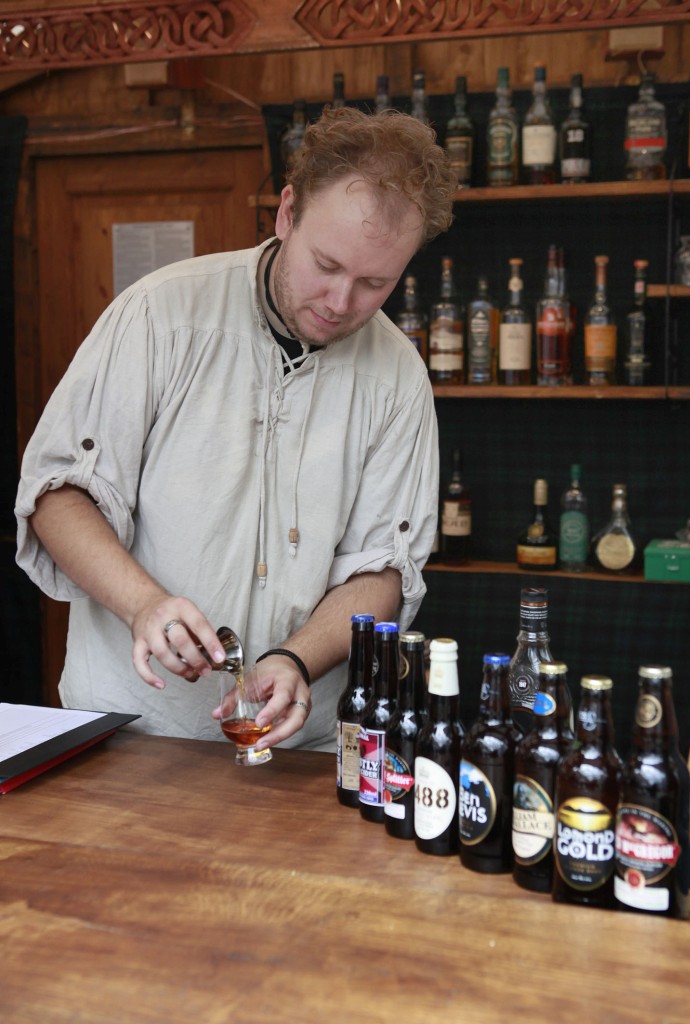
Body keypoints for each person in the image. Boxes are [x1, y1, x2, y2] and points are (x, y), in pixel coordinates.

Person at [14, 105, 455, 752]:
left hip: (296, 745)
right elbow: (58, 496)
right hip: (131, 729)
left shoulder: (398, 377)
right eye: (326, 265)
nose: (340, 303)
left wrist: (296, 660)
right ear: (287, 213)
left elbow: (380, 571)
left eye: (373, 283)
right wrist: (144, 605)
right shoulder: (161, 316)